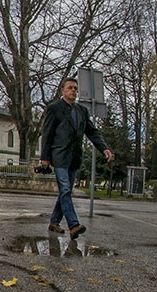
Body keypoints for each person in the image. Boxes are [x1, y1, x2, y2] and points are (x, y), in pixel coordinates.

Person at [39, 77, 114, 239]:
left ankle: (54, 222)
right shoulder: (54, 108)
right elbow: (47, 133)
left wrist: (104, 148)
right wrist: (44, 158)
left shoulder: (82, 111)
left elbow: (92, 132)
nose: (73, 90)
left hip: (74, 158)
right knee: (65, 189)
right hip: (59, 156)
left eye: (75, 88)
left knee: (65, 191)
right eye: (70, 88)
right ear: (63, 91)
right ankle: (73, 225)